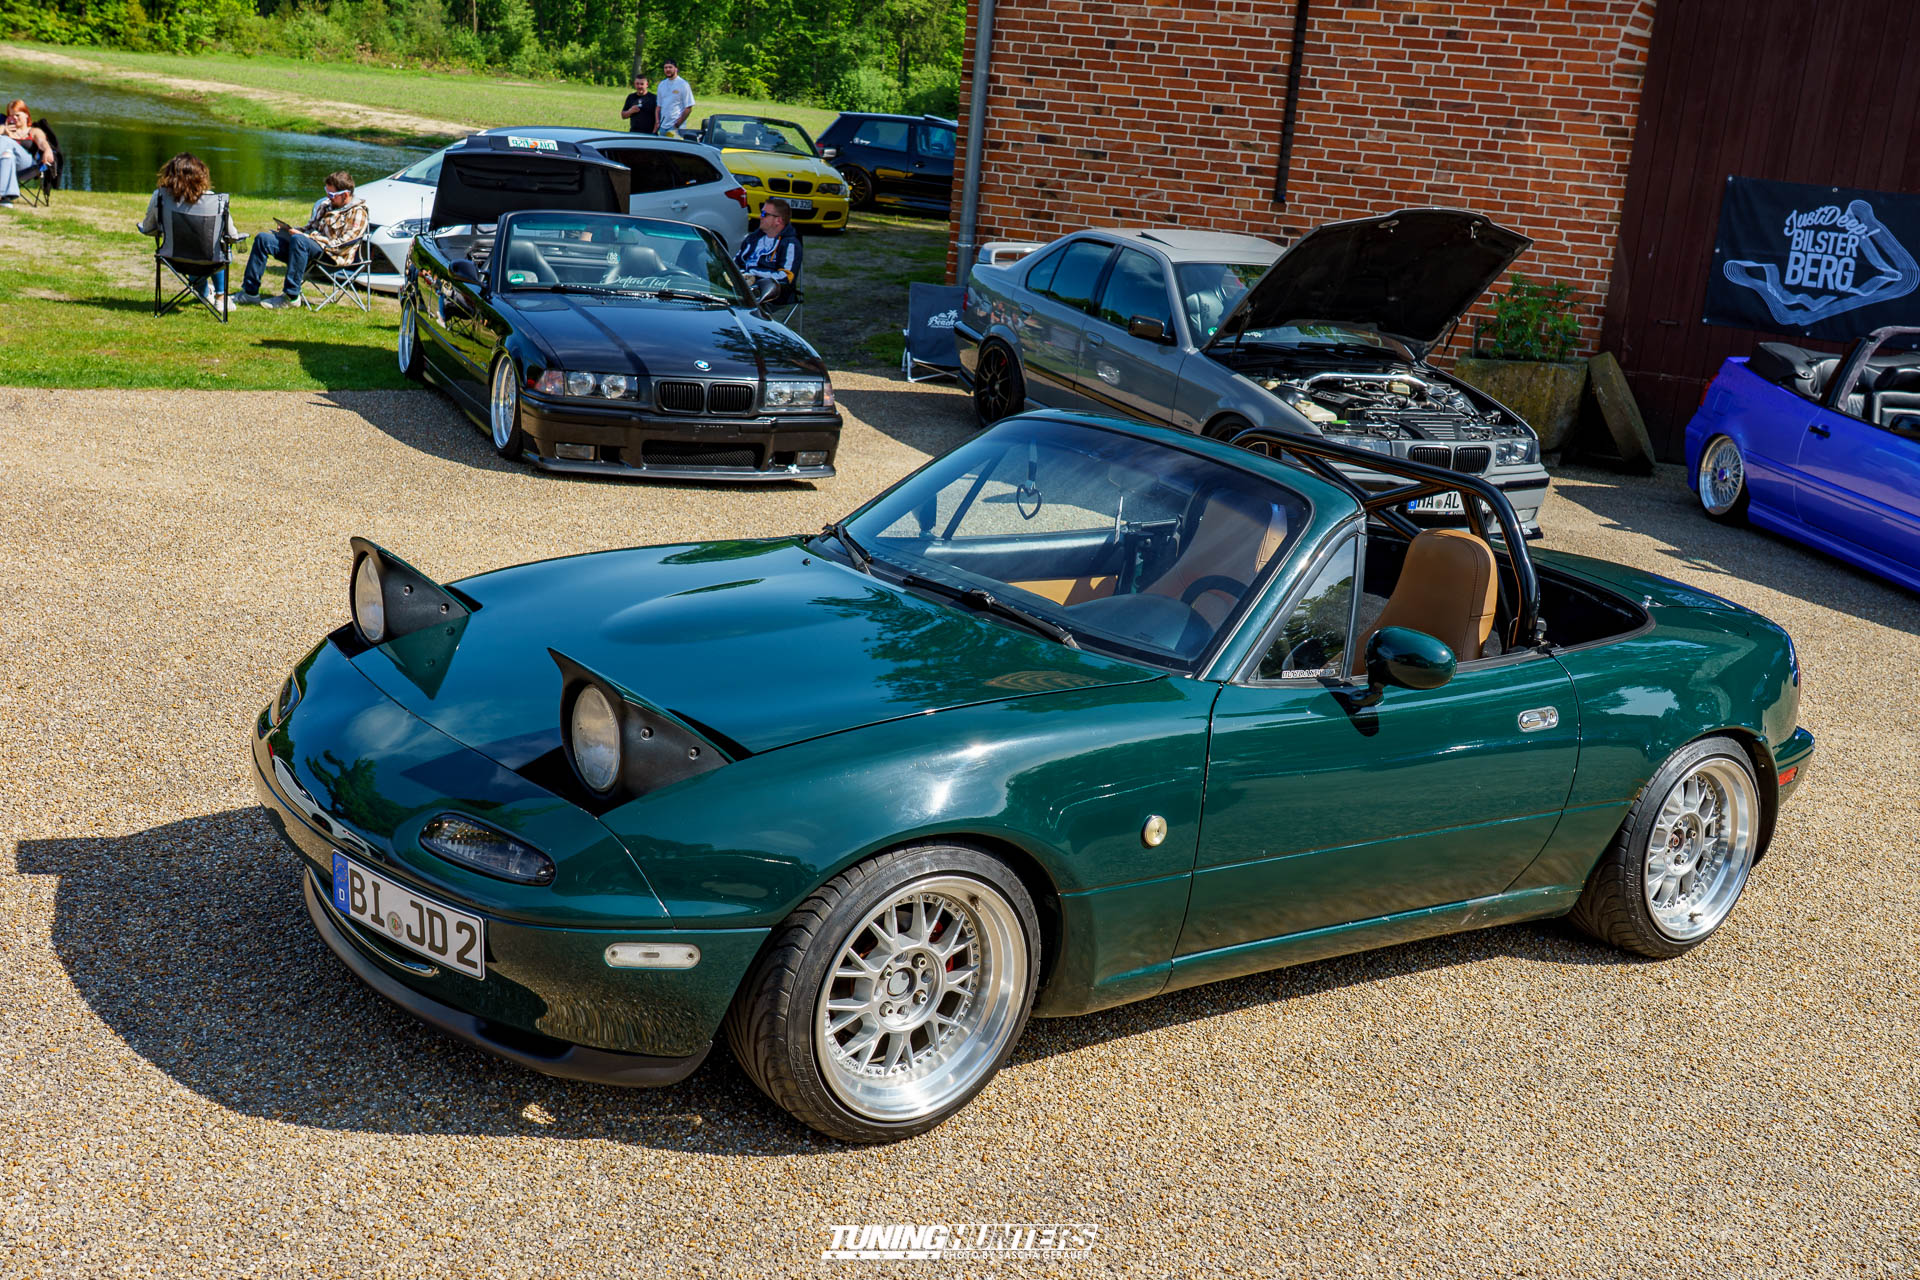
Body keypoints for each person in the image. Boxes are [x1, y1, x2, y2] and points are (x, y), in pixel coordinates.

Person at [234, 169, 367, 309]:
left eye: (332, 194)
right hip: (305, 250)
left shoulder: (358, 212)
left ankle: (291, 297)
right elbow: (310, 227)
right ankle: (250, 292)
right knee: (263, 239)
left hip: (332, 257)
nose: (328, 197)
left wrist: (306, 237)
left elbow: (342, 244)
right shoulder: (325, 205)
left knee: (299, 240)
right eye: (326, 191)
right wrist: (290, 230)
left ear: (345, 195)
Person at [137, 152, 243, 301]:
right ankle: (220, 297)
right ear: (201, 176)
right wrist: (238, 238)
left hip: (173, 258)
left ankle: (205, 294)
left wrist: (145, 228)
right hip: (210, 260)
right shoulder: (214, 200)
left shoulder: (160, 196)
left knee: (192, 248)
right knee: (219, 246)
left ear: (169, 174)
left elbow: (149, 228)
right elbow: (232, 235)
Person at [735, 198, 801, 304]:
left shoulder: (789, 244)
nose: (760, 217)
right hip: (740, 286)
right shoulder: (753, 238)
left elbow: (786, 277)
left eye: (764, 214)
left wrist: (752, 273)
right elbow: (736, 262)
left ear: (778, 220)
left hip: (769, 293)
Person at [0, 99, 55, 206]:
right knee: (8, 155)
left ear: (26, 115)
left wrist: (47, 150)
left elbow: (42, 142)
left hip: (28, 166)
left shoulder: (33, 131)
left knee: (4, 140)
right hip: (6, 166)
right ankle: (5, 198)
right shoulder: (4, 129)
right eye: (11, 115)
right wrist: (5, 130)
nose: (14, 118)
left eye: (17, 115)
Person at [655, 61, 695, 136]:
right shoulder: (662, 84)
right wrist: (657, 122)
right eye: (665, 68)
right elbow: (658, 106)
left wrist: (678, 124)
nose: (668, 69)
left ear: (676, 69)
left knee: (674, 144)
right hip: (662, 126)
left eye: (670, 67)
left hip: (676, 127)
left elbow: (688, 107)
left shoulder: (683, 84)